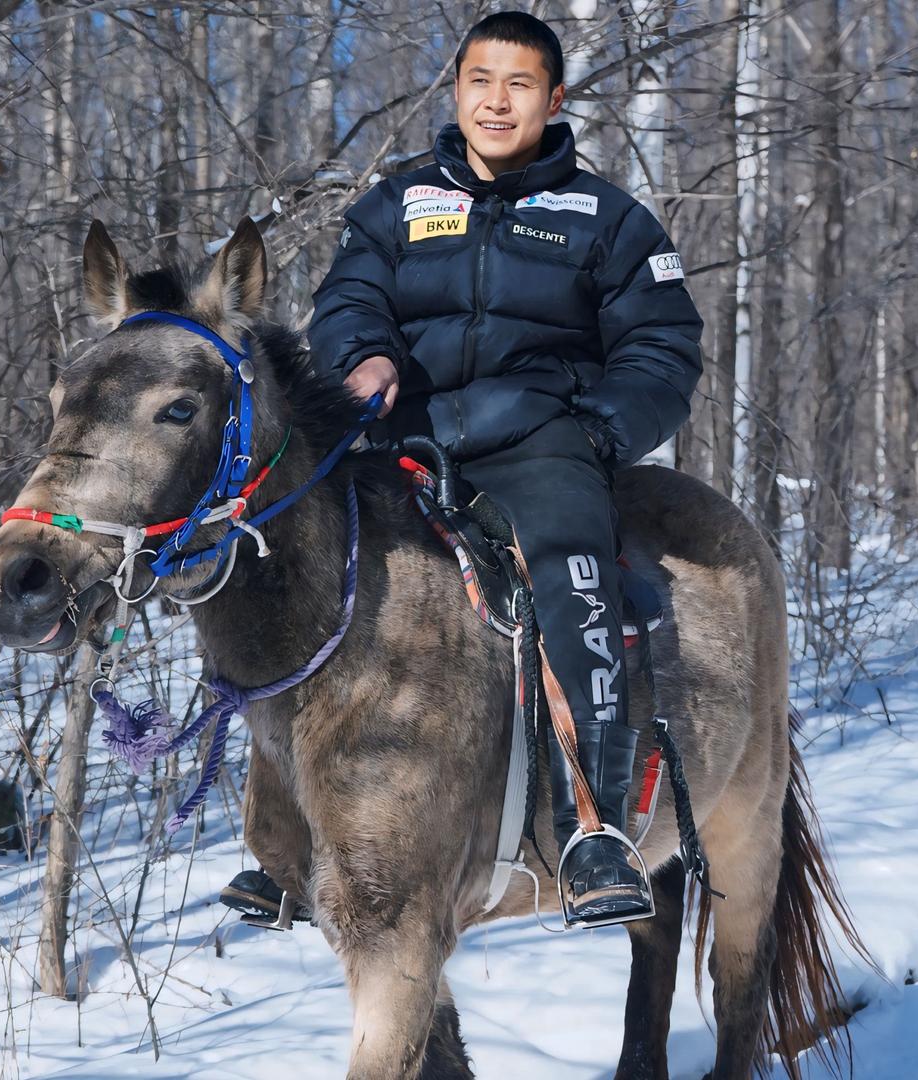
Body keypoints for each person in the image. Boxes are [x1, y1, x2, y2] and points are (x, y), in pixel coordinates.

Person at [222, 10, 703, 927]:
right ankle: (286, 843)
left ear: (554, 100)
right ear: (456, 90)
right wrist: (361, 356)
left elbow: (665, 347)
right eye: (481, 80)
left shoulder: (610, 220)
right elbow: (350, 298)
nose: (497, 100)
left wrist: (598, 429)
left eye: (520, 84)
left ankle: (591, 825)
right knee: (298, 570)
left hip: (543, 443)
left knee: (571, 564)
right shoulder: (395, 205)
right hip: (401, 437)